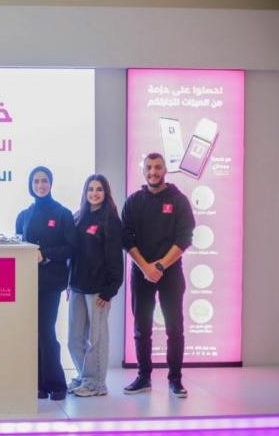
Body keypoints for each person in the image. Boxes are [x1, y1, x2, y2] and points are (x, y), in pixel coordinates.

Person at [122, 153, 195, 398]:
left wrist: (160, 266)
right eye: (149, 168)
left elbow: (184, 238)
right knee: (141, 328)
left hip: (171, 272)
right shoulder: (133, 202)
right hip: (141, 272)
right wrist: (146, 267)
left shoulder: (179, 200)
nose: (153, 172)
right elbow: (126, 239)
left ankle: (175, 380)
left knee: (175, 328)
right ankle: (143, 377)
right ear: (143, 171)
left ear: (165, 170)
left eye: (157, 167)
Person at [15, 166, 77, 401]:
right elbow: (19, 245)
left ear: (50, 183)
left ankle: (56, 384)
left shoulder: (62, 214)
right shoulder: (24, 215)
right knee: (33, 332)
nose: (40, 185)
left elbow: (71, 247)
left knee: (46, 330)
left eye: (44, 181)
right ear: (31, 185)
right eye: (36, 181)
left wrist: (46, 254)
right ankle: (38, 384)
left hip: (51, 282)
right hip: (27, 282)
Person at [67, 174, 123, 397]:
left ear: (105, 192)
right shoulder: (78, 217)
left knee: (96, 340)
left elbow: (115, 258)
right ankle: (85, 376)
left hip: (99, 290)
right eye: (90, 189)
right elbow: (73, 254)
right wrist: (69, 283)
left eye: (99, 189)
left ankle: (96, 383)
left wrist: (110, 290)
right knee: (74, 339)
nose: (94, 193)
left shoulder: (110, 220)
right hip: (77, 287)